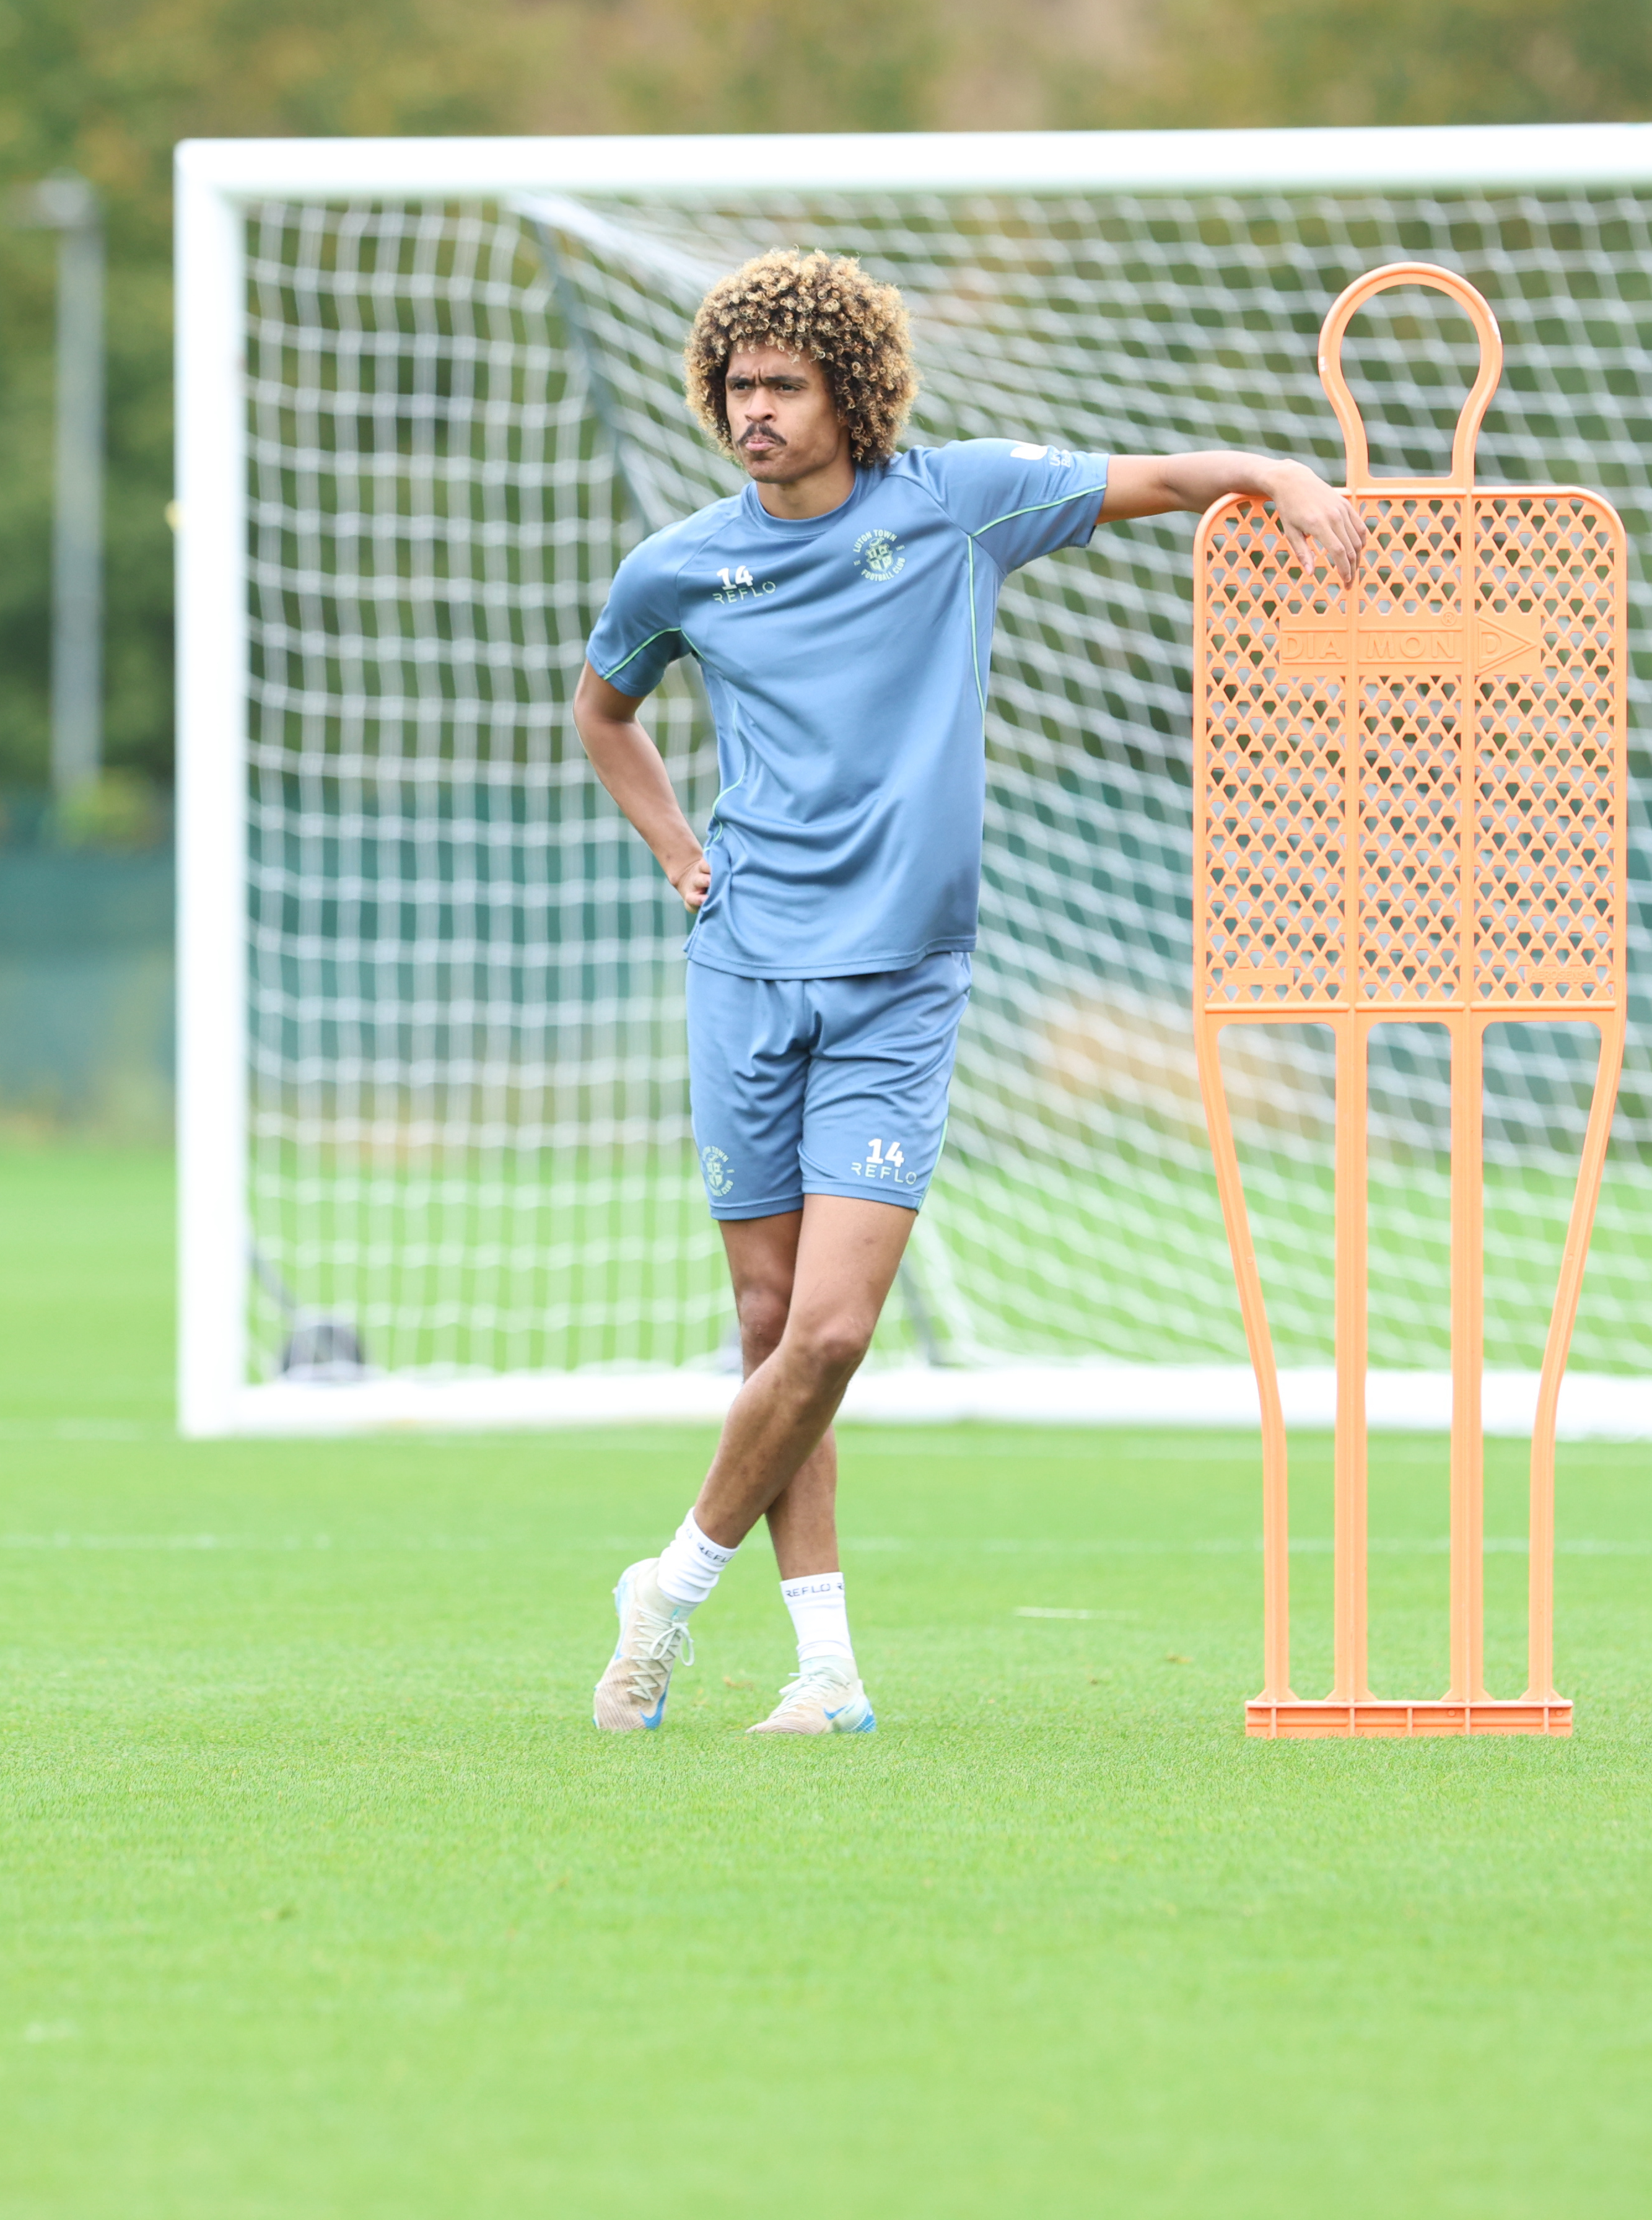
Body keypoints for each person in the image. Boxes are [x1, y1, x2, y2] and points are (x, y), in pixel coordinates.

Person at [570, 248, 1365, 1736]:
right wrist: (680, 850)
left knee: (831, 1333)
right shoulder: (678, 564)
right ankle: (827, 1672)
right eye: (735, 387)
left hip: (901, 986)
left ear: (851, 392)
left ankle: (667, 1587)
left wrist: (1282, 477)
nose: (752, 413)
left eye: (782, 387)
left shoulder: (957, 501)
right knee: (765, 1326)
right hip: (745, 972)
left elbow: (1157, 479)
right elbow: (604, 712)